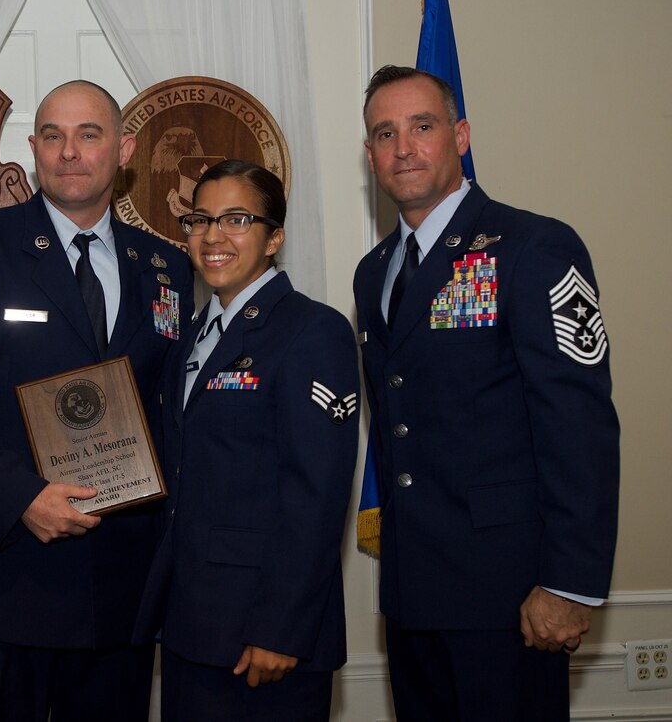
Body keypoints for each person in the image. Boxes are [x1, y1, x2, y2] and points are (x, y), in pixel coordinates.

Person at [0, 80, 194, 721]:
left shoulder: (168, 266)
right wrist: (20, 496)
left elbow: (176, 406)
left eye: (89, 134)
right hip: (0, 573)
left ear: (125, 150)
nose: (70, 152)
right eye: (53, 136)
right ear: (32, 148)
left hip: (122, 584)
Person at [354, 65, 619, 721]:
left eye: (423, 126)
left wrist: (568, 584)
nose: (404, 148)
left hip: (512, 596)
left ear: (461, 135)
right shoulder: (373, 274)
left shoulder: (533, 247)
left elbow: (578, 424)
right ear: (370, 155)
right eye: (385, 134)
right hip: (414, 596)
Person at [130, 160, 358, 721]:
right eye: (200, 219)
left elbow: (317, 496)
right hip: (191, 624)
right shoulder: (190, 338)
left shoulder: (312, 330)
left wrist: (281, 628)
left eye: (236, 219)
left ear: (274, 237)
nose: (213, 236)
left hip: (264, 633)